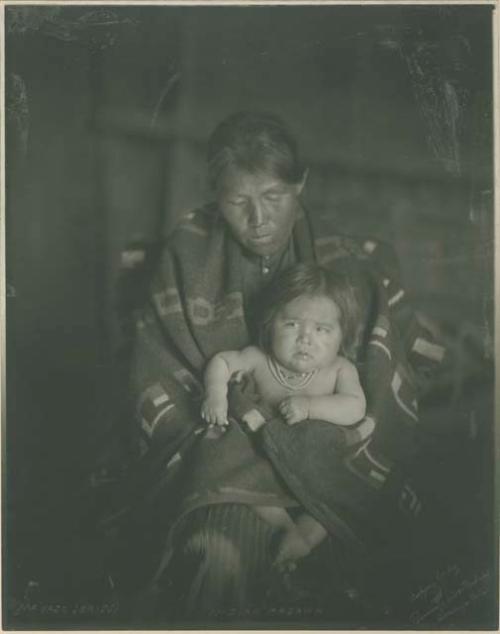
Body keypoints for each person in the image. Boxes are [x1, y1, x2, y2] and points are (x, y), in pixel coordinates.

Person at [121, 111, 446, 619]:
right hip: (221, 457)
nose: (260, 219)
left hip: (332, 457)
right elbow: (158, 372)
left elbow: (383, 384)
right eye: (237, 202)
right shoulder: (185, 255)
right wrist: (225, 424)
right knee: (216, 556)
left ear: (301, 184)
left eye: (274, 197)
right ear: (215, 196)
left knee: (381, 573)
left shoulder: (348, 265)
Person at [201, 262, 367, 570]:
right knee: (240, 476)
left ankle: (306, 535)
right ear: (269, 324)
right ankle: (284, 529)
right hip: (266, 466)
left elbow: (355, 406)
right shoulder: (258, 359)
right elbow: (222, 362)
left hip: (312, 465)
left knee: (330, 497)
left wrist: (310, 407)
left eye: (322, 329)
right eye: (291, 325)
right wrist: (216, 394)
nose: (305, 339)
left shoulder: (340, 369)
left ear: (343, 336)